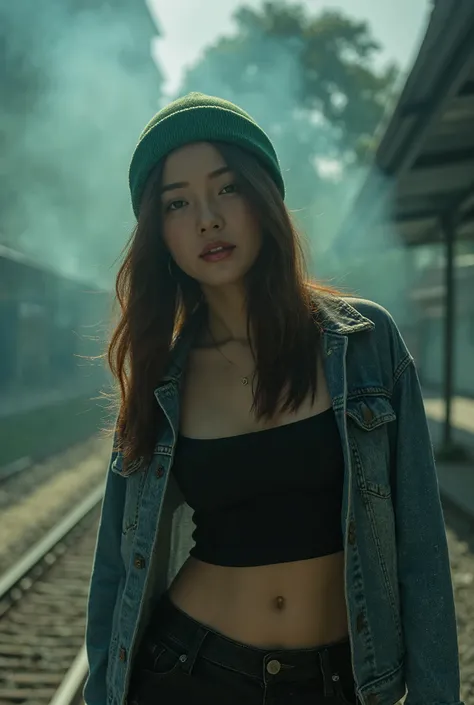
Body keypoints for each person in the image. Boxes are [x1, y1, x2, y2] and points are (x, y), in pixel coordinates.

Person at [83, 93, 463, 705]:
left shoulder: (364, 345)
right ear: (161, 234)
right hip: (190, 674)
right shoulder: (163, 377)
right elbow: (114, 566)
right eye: (176, 202)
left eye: (226, 188)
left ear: (265, 197)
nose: (206, 218)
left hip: (337, 683)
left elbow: (419, 548)